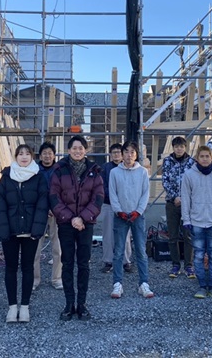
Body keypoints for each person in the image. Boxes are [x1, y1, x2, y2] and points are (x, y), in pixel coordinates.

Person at [50, 135, 103, 321]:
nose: (77, 151)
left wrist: (83, 218)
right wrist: (71, 218)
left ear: (86, 150)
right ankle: (68, 304)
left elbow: (98, 198)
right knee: (67, 263)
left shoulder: (94, 171)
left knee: (83, 264)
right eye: (74, 148)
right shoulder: (59, 170)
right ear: (69, 150)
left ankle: (82, 304)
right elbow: (54, 197)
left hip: (86, 225)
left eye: (81, 148)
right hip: (66, 223)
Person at [0, 144, 49, 323]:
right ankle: (12, 306)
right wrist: (2, 231)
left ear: (32, 157)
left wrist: (37, 230)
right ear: (15, 157)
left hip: (30, 231)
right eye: (20, 154)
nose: (24, 157)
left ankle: (24, 306)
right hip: (10, 231)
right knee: (10, 268)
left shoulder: (38, 177)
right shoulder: (6, 177)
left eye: (27, 154)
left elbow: (42, 205)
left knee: (27, 267)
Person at [181, 145, 212, 300]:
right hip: (196, 221)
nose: (204, 159)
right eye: (201, 156)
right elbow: (185, 198)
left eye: (207, 156)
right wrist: (186, 219)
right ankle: (202, 286)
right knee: (198, 256)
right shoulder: (189, 175)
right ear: (197, 158)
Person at [109, 141, 154, 299]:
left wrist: (138, 211)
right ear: (122, 154)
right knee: (118, 251)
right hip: (120, 216)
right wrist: (119, 210)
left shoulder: (142, 172)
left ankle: (144, 283)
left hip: (138, 216)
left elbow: (145, 193)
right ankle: (117, 283)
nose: (129, 155)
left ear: (136, 155)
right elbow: (112, 193)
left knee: (141, 250)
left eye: (132, 152)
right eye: (126, 152)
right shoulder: (114, 172)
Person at [161, 136, 195, 278]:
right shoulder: (167, 161)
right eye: (176, 147)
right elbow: (165, 180)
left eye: (181, 146)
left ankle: (189, 265)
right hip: (172, 203)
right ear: (173, 148)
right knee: (173, 235)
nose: (179, 149)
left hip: (188, 204)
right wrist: (175, 196)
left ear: (185, 147)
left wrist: (185, 198)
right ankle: (175, 264)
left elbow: (194, 183)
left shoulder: (192, 162)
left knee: (188, 235)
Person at [33, 141, 63, 290]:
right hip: (38, 212)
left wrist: (54, 207)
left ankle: (57, 278)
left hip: (56, 213)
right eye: (44, 153)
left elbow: (63, 191)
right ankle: (34, 279)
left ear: (54, 155)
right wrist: (44, 207)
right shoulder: (34, 171)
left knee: (58, 248)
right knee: (35, 248)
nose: (47, 156)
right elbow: (33, 192)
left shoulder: (59, 170)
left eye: (50, 153)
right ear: (40, 155)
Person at [100, 143, 132, 274]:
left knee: (125, 234)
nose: (116, 155)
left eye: (119, 152)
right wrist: (113, 197)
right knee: (108, 234)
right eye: (114, 152)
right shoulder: (105, 168)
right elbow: (102, 186)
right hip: (108, 204)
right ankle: (108, 261)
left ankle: (126, 261)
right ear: (110, 154)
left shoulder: (127, 167)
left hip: (125, 206)